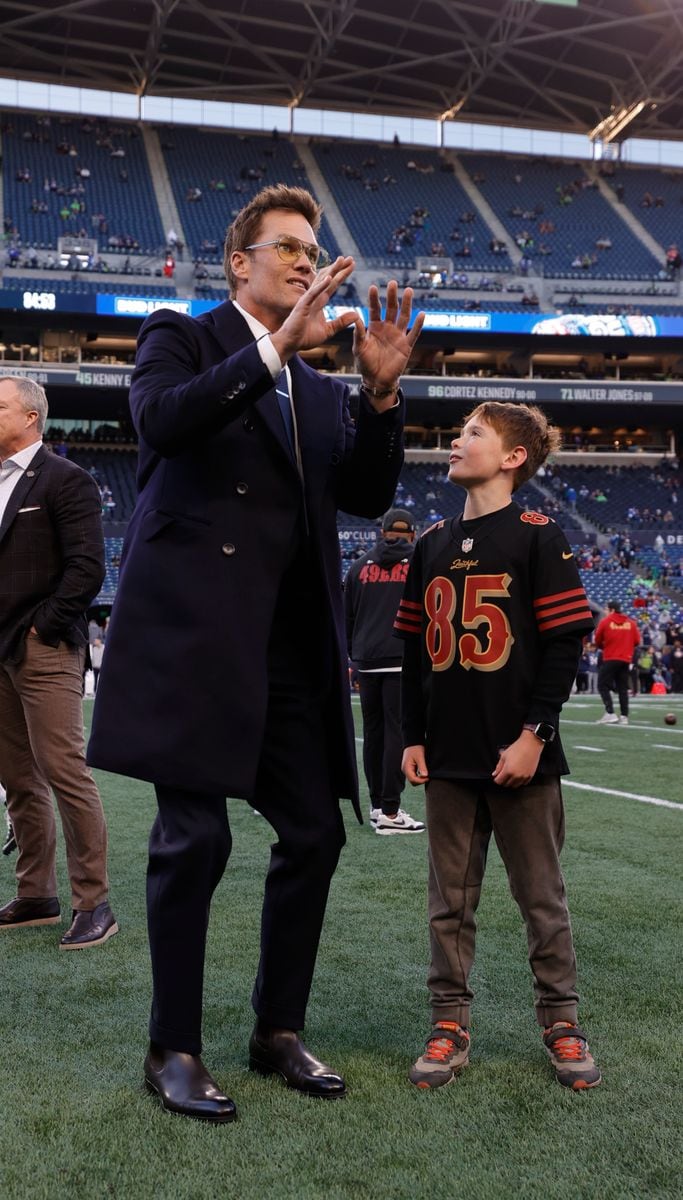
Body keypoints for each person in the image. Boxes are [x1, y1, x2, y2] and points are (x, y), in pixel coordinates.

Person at [87, 184, 424, 1123]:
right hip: (196, 638)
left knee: (315, 834)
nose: (303, 262)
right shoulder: (180, 335)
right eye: (285, 248)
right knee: (196, 838)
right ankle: (175, 1046)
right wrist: (275, 348)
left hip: (288, 646)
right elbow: (160, 423)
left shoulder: (317, 389)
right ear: (238, 263)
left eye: (313, 252)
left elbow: (362, 494)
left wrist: (382, 394)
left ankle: (277, 1029)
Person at [396, 402, 601, 1091]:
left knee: (541, 898)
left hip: (518, 752)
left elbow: (564, 641)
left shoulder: (538, 534)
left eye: (473, 433)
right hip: (448, 752)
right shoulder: (427, 541)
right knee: (447, 903)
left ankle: (562, 1021)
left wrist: (533, 733)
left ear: (513, 457)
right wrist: (411, 737)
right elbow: (411, 653)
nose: (456, 440)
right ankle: (448, 1020)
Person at [0, 377, 117, 948]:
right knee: (17, 777)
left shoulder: (67, 479)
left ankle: (94, 902)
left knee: (63, 771)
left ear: (29, 416)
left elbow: (87, 568)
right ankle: (37, 894)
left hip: (43, 647)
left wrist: (42, 627)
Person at [344, 509, 425, 836]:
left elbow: (347, 617)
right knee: (397, 732)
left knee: (374, 733)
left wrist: (353, 658)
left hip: (367, 659)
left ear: (382, 532)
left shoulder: (358, 566)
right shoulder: (420, 563)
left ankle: (379, 805)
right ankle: (391, 811)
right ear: (413, 533)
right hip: (402, 657)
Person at [594, 599, 641, 724]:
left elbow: (597, 640)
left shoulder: (605, 622)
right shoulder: (631, 623)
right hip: (625, 659)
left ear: (612, 610)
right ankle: (624, 716)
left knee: (602, 684)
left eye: (606, 609)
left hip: (610, 657)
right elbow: (637, 641)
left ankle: (610, 712)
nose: (604, 611)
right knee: (622, 688)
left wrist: (605, 647)